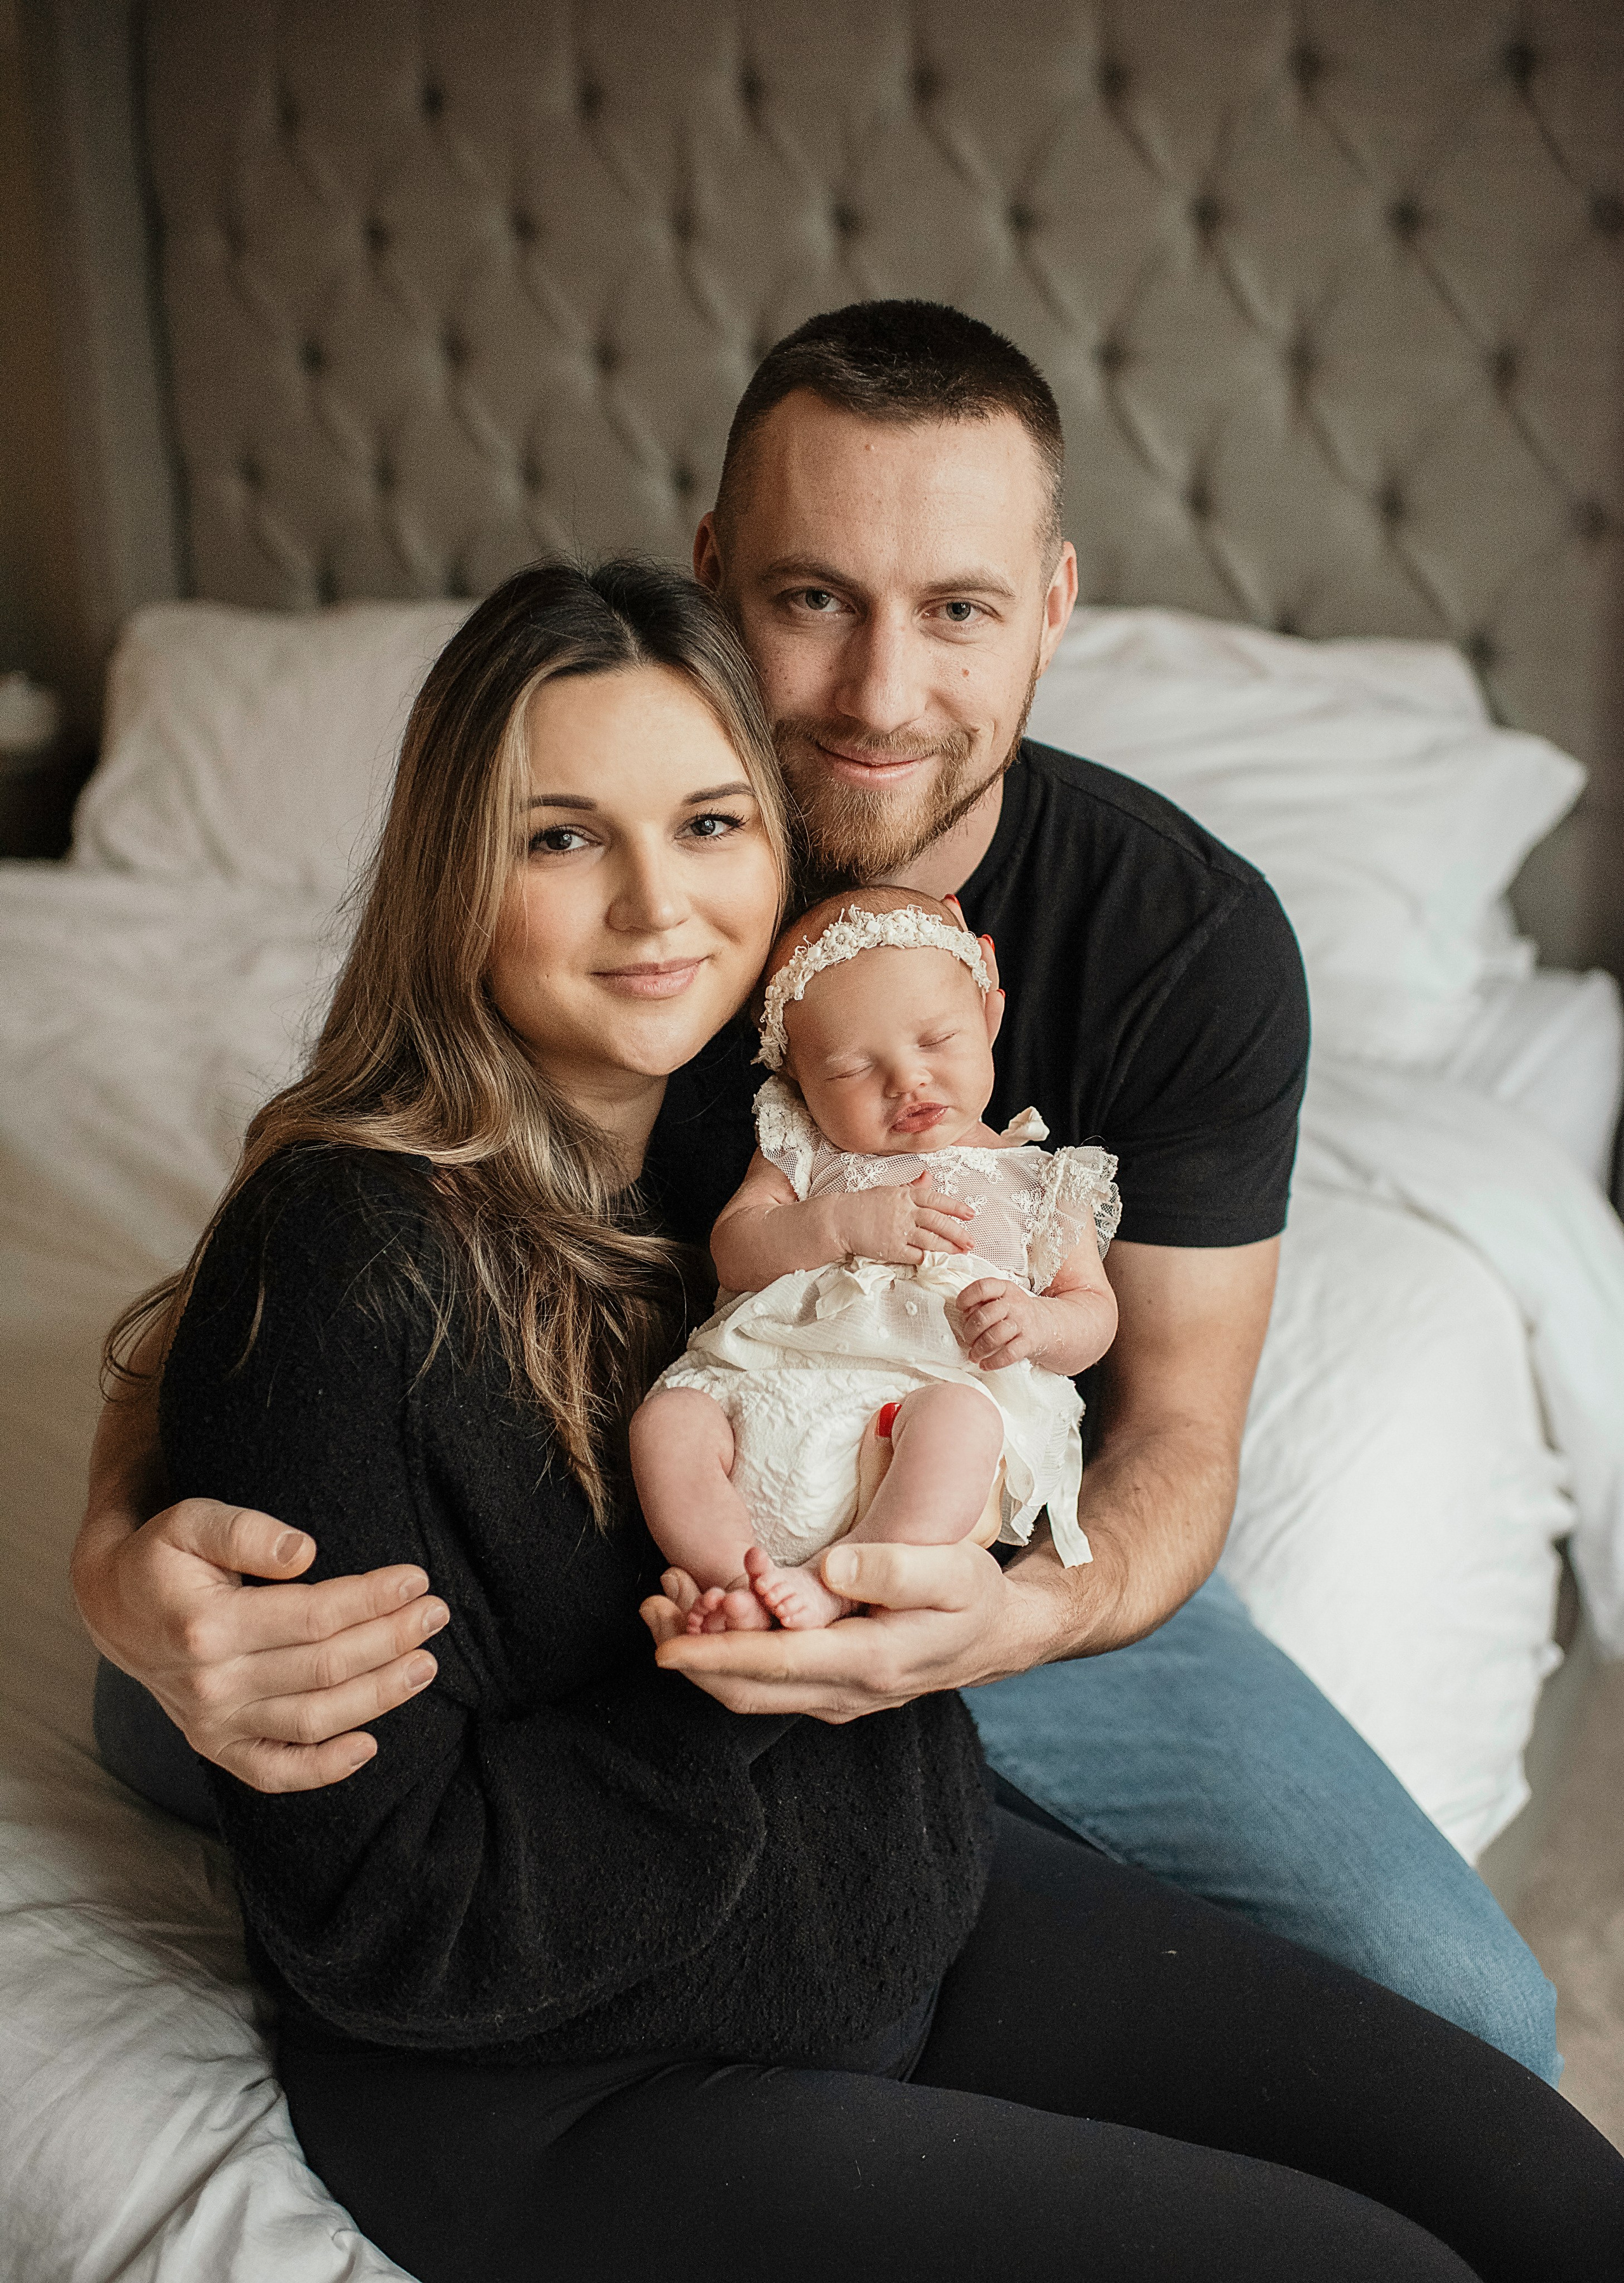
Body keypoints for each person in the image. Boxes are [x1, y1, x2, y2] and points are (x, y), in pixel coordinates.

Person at [76, 299, 1558, 2080]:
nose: (876, 694)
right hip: (626, 1512)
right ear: (712, 575)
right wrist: (107, 1554)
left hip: (981, 1540)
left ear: (1057, 603)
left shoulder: (1185, 938)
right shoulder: (639, 851)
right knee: (193, 1718)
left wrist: (1004, 1614)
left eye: (958, 609)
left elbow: (1179, 1430)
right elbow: (322, 1202)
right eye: (809, 599)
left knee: (1468, 2005)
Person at [633, 885, 1120, 1633]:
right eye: (853, 1069)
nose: (907, 1080)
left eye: (936, 1042)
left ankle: (847, 1574)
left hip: (912, 1417)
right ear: (797, 1082)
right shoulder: (805, 1148)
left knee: (962, 1423)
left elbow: (1093, 1312)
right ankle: (739, 1579)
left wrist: (1037, 1322)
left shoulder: (1042, 1182)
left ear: (988, 1016)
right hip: (770, 1384)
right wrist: (836, 1223)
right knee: (668, 1421)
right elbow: (733, 1251)